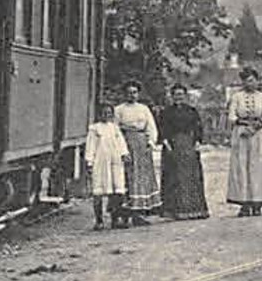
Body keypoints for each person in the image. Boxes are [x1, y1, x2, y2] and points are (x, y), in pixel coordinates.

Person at [225, 68, 262, 217]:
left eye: (252, 80)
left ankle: (258, 203)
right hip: (241, 136)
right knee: (242, 168)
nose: (250, 83)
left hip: (258, 136)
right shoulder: (236, 97)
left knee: (258, 168)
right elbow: (231, 116)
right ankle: (244, 204)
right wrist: (243, 124)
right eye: (246, 80)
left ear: (257, 81)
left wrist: (256, 126)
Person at [113, 81, 162, 226]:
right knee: (127, 177)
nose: (132, 95)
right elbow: (115, 130)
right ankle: (124, 212)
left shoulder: (144, 108)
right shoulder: (119, 109)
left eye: (134, 92)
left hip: (141, 145)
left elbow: (151, 127)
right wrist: (121, 148)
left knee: (141, 177)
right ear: (125, 94)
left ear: (138, 93)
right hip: (126, 143)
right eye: (129, 92)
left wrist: (150, 142)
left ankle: (139, 213)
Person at [159, 83, 211, 220]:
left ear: (185, 96)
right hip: (173, 145)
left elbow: (198, 127)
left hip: (189, 145)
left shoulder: (191, 111)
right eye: (176, 95)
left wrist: (198, 142)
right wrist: (167, 144)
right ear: (172, 96)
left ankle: (194, 209)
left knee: (191, 176)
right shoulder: (166, 112)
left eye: (181, 95)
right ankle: (173, 211)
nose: (178, 97)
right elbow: (163, 130)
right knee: (173, 177)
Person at [84, 102, 128, 231]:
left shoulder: (114, 128)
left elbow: (121, 142)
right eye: (104, 113)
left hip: (115, 160)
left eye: (109, 113)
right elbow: (90, 146)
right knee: (99, 190)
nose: (106, 115)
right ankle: (99, 220)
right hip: (101, 161)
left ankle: (115, 219)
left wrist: (124, 153)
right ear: (99, 114)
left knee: (117, 190)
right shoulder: (94, 129)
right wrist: (89, 162)